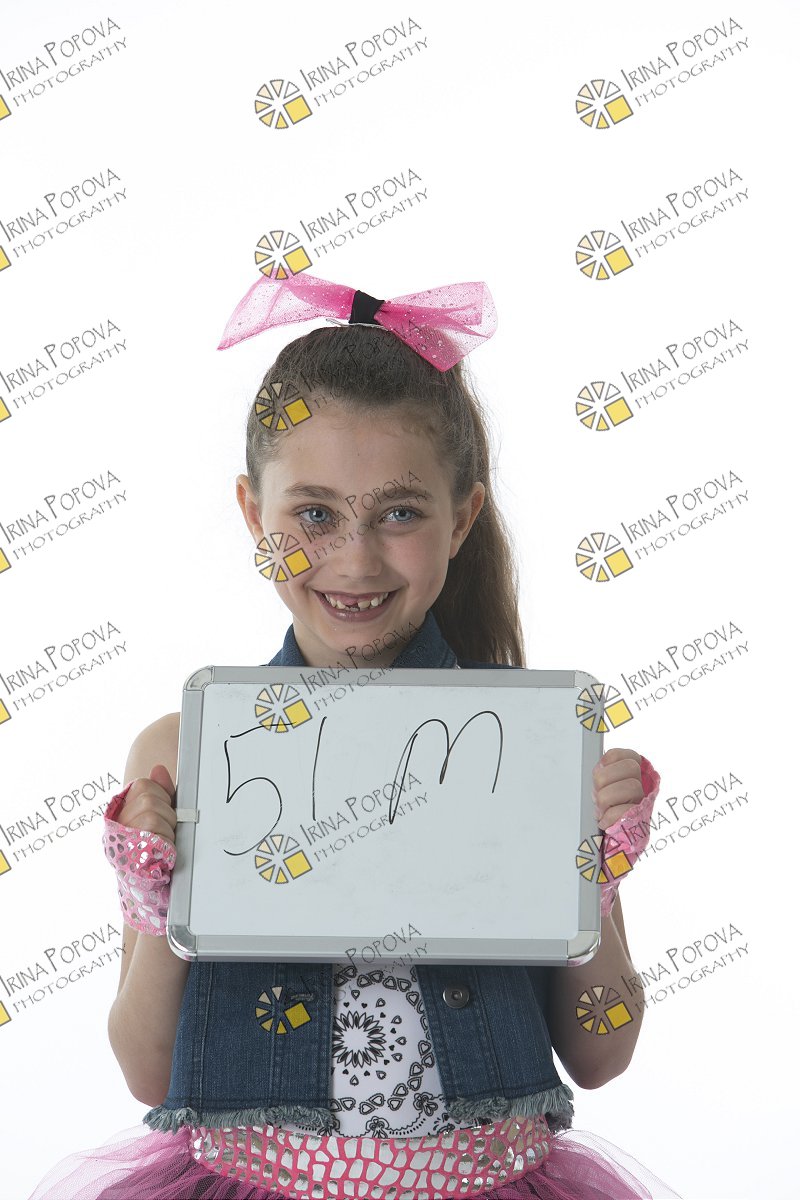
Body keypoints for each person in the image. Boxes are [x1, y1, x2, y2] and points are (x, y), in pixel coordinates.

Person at [27, 273, 681, 1200]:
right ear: (254, 516)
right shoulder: (185, 751)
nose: (356, 557)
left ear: (462, 517)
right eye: (315, 514)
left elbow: (603, 1049)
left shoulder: (534, 746)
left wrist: (597, 883)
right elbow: (145, 1071)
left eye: (400, 513)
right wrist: (153, 900)